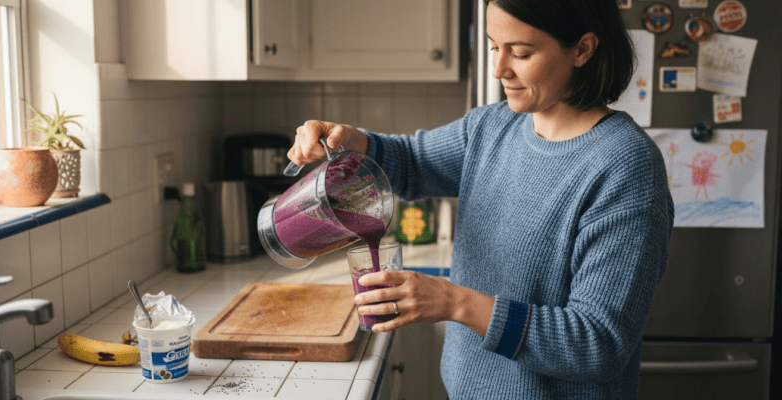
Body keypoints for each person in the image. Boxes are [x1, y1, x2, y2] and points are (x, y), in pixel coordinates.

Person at [287, 0, 674, 398]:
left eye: (521, 53)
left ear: (582, 49)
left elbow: (596, 344)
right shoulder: (492, 126)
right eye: (494, 47)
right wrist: (354, 140)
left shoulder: (625, 167)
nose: (498, 69)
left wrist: (455, 303)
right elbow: (412, 162)